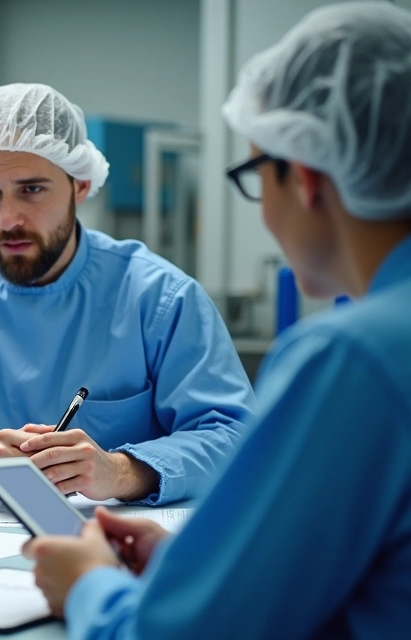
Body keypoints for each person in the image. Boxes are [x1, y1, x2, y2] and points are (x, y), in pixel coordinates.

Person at [25, 3, 411, 637]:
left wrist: (89, 586)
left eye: (255, 175)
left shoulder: (353, 360)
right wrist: (195, 566)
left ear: (307, 179)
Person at [0, 83, 254, 504]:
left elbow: (233, 435)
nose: (7, 219)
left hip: (111, 546)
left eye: (31, 189)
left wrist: (121, 471)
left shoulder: (159, 298)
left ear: (81, 185)